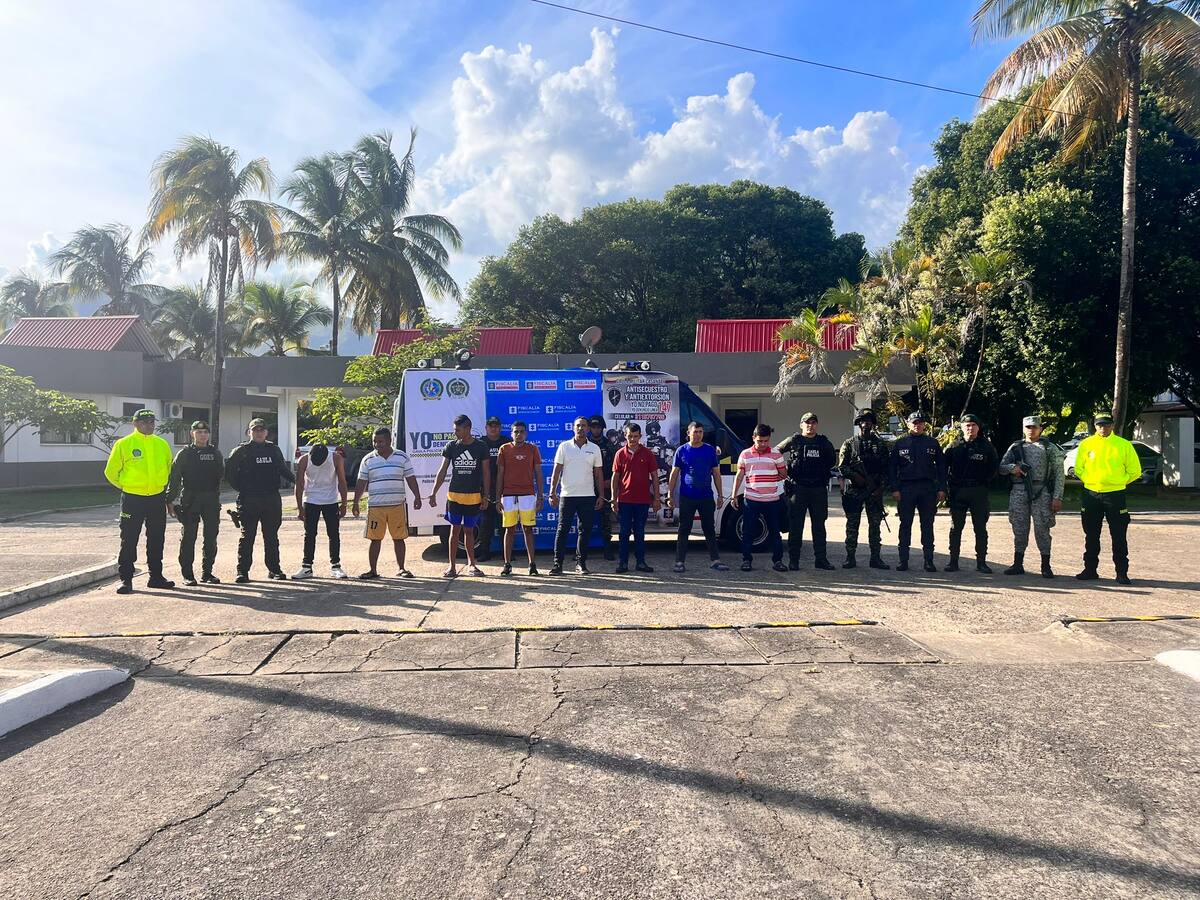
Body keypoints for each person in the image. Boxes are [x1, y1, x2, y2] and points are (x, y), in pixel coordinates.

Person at [105, 408, 175, 594]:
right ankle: (126, 579)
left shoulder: (162, 444)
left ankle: (156, 577)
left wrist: (160, 488)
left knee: (156, 538)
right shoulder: (124, 444)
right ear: (135, 424)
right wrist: (128, 487)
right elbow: (111, 472)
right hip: (132, 498)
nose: (149, 425)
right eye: (144, 422)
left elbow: (169, 469)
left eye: (152, 422)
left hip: (156, 498)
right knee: (129, 539)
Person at [1074, 412, 1141, 584]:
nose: (1103, 428)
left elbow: (1135, 471)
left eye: (1106, 424)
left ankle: (1121, 572)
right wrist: (1090, 481)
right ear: (1094, 426)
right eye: (1099, 425)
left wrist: (1118, 482)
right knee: (1091, 534)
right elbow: (1078, 468)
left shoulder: (1123, 445)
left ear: (1112, 425)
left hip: (1116, 495)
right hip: (1091, 494)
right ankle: (1090, 569)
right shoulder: (1086, 444)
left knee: (1119, 535)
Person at [225, 418, 295, 583]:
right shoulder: (241, 451)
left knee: (271, 536)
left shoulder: (273, 450)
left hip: (271, 498)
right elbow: (229, 474)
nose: (258, 433)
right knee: (247, 536)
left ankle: (274, 569)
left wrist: (297, 481)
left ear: (266, 432)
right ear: (249, 432)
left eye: (261, 430)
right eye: (255, 430)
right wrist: (243, 489)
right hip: (249, 499)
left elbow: (282, 469)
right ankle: (242, 571)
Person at [999, 416, 1065, 578]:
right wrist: (1012, 468)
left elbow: (1059, 475)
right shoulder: (1015, 447)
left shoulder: (1049, 448)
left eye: (1035, 427)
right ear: (1023, 429)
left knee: (1042, 528)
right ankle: (1017, 563)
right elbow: (1001, 467)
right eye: (1028, 427)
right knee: (1019, 527)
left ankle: (1045, 565)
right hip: (1019, 491)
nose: (1031, 430)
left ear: (1041, 428)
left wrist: (1057, 497)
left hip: (1041, 491)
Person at [353, 427, 422, 579]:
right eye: (375, 441)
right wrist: (356, 502)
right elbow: (361, 482)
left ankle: (402, 568)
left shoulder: (402, 457)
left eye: (381, 441)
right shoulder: (368, 459)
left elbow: (411, 478)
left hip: (397, 505)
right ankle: (373, 570)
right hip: (375, 507)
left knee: (399, 538)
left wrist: (417, 497)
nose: (377, 445)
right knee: (375, 539)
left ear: (390, 441)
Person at [430, 414, 490, 578]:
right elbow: (442, 471)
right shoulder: (451, 446)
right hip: (454, 496)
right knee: (454, 531)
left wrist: (486, 496)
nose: (455, 432)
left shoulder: (480, 447)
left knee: (469, 532)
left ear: (467, 429)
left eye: (457, 429)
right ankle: (452, 567)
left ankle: (472, 565)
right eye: (454, 429)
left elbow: (486, 473)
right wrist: (434, 492)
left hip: (473, 497)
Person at [777, 412, 838, 571]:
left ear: (817, 425)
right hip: (798, 488)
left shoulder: (824, 442)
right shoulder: (794, 440)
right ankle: (794, 560)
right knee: (796, 526)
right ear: (801, 424)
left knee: (819, 526)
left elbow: (832, 460)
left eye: (813, 423)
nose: (810, 426)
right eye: (807, 423)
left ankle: (821, 559)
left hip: (818, 488)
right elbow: (776, 452)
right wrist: (783, 471)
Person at [166, 420, 224, 586]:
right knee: (189, 537)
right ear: (192, 434)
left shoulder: (215, 452)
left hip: (211, 499)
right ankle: (188, 574)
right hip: (191, 499)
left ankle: (207, 572)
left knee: (211, 536)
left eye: (205, 432)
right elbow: (175, 478)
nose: (202, 435)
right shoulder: (184, 454)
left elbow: (220, 474)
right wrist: (170, 500)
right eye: (199, 432)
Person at [888, 411, 947, 572]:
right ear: (908, 424)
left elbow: (941, 467)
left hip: (927, 489)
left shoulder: (932, 443)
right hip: (906, 489)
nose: (917, 425)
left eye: (920, 422)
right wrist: (895, 488)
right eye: (914, 422)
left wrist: (942, 487)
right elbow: (892, 468)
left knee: (927, 525)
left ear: (924, 424)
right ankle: (903, 560)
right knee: (905, 525)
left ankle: (929, 561)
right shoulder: (900, 443)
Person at [667, 421, 729, 573]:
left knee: (709, 529)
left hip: (706, 497)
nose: (698, 434)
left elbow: (716, 473)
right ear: (688, 433)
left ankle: (715, 560)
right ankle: (679, 562)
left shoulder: (709, 451)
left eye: (700, 432)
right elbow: (674, 474)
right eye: (695, 432)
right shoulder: (681, 451)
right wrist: (670, 494)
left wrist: (720, 495)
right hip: (687, 497)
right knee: (684, 530)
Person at [548, 416, 604, 575]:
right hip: (567, 495)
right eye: (578, 426)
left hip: (588, 496)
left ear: (588, 429)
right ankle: (557, 564)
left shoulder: (594, 448)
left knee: (584, 531)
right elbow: (556, 471)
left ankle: (581, 564)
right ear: (573, 428)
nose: (580, 428)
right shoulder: (564, 447)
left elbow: (598, 474)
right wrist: (552, 492)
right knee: (562, 529)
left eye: (583, 426)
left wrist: (600, 495)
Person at [944, 414, 999, 573]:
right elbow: (943, 468)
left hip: (978, 492)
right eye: (967, 425)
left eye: (973, 425)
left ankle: (981, 562)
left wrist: (983, 482)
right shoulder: (953, 446)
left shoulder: (986, 447)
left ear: (978, 428)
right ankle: (953, 561)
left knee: (980, 528)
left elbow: (993, 468)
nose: (970, 428)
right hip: (958, 492)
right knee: (956, 528)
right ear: (961, 427)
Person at [730, 424, 787, 573]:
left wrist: (770, 478)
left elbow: (783, 474)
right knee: (748, 531)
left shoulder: (776, 455)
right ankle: (746, 560)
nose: (762, 444)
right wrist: (734, 495)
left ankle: (778, 561)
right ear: (753, 438)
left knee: (775, 532)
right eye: (760, 441)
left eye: (766, 441)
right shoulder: (745, 454)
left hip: (772, 500)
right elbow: (740, 475)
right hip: (751, 500)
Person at [837, 409, 890, 569]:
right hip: (855, 490)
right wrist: (855, 477)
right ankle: (850, 557)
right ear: (859, 423)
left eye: (869, 420)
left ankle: (875, 558)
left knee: (875, 525)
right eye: (863, 420)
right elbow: (842, 467)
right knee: (852, 525)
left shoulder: (880, 444)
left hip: (874, 490)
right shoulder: (849, 443)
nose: (866, 423)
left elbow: (886, 468)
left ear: (873, 424)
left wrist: (880, 486)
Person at [292, 444, 349, 580]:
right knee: (309, 534)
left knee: (333, 533)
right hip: (311, 499)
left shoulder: (336, 458)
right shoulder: (304, 460)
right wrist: (300, 508)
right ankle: (307, 567)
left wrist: (344, 504)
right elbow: (299, 484)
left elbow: (342, 481)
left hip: (331, 500)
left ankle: (336, 566)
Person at [611, 422, 660, 573]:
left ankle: (641, 563)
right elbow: (615, 477)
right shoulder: (620, 453)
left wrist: (657, 498)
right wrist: (614, 498)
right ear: (625, 436)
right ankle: (623, 563)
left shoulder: (648, 453)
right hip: (625, 500)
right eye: (630, 436)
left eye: (635, 436)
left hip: (642, 500)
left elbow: (654, 477)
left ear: (640, 436)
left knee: (640, 532)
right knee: (624, 533)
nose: (632, 439)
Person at [496, 421, 543, 577]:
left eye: (522, 431)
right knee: (509, 530)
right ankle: (507, 565)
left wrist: (540, 496)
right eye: (516, 431)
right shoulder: (504, 449)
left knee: (528, 530)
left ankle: (532, 565)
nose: (519, 434)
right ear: (511, 433)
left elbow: (538, 473)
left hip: (528, 495)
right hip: (508, 495)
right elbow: (500, 475)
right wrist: (497, 498)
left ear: (526, 433)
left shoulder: (532, 449)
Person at [475, 416, 510, 561]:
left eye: (496, 425)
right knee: (486, 523)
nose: (493, 428)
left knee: (505, 522)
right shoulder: (480, 443)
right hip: (486, 488)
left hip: (504, 487)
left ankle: (506, 553)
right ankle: (485, 552)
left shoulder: (506, 442)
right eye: (491, 426)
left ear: (500, 428)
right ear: (486, 428)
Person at [588, 415, 617, 559]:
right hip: (586, 487)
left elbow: (616, 468)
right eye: (593, 427)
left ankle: (607, 549)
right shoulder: (583, 444)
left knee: (606, 520)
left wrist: (609, 481)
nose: (596, 429)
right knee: (584, 519)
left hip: (605, 487)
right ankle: (582, 551)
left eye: (598, 427)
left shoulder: (609, 445)